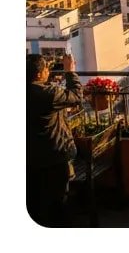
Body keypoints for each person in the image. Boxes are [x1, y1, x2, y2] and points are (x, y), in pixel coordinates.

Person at [27, 53, 83, 227]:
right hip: (55, 153)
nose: (48, 72)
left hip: (31, 157)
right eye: (46, 69)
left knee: (35, 201)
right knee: (59, 200)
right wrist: (70, 71)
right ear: (39, 74)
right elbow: (76, 96)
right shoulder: (48, 94)